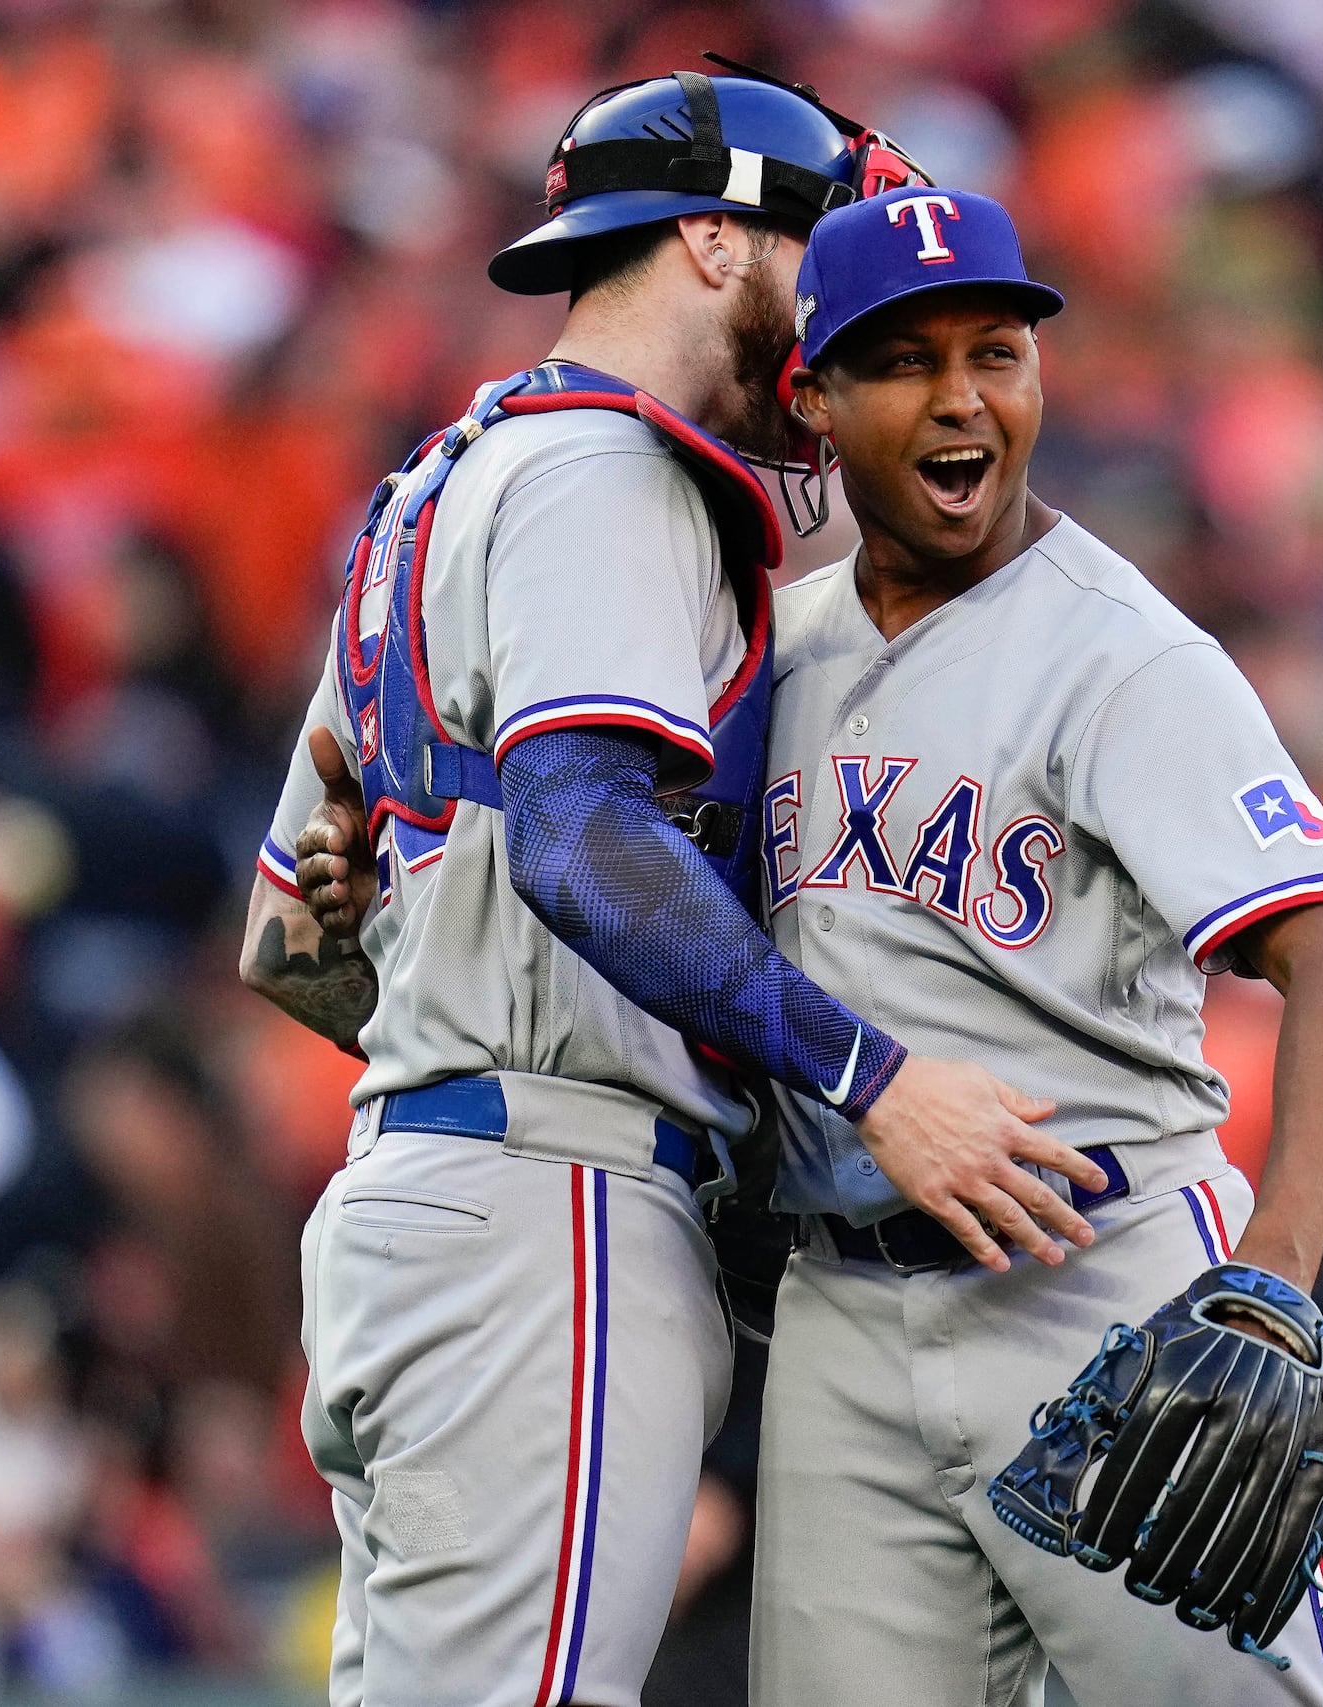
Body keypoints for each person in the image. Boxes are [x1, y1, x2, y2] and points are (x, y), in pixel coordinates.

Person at [248, 70, 1101, 1707]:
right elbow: (580, 838)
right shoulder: (608, 473)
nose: (846, 300)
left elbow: (292, 941)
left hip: (443, 1199)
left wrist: (464, 1014)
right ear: (716, 242)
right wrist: (874, 1078)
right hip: (544, 1222)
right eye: (815, 239)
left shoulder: (436, 488)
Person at [745, 189, 1323, 1706]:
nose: (965, 396)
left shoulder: (1125, 654)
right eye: (906, 360)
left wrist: (1276, 1280)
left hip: (1099, 1289)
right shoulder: (775, 649)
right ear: (815, 400)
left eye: (998, 351)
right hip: (843, 1308)